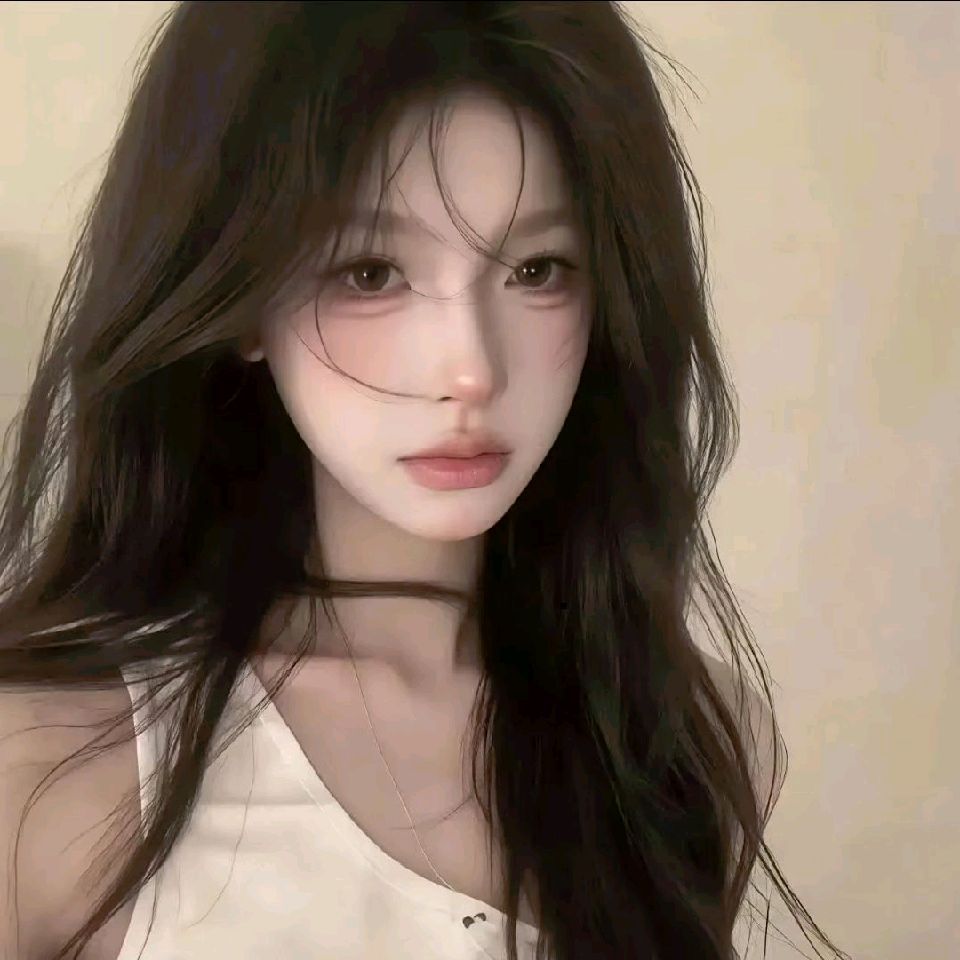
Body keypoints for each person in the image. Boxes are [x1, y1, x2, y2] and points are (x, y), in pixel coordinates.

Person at [0, 3, 852, 960]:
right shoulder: (45, 764)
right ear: (238, 298)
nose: (471, 370)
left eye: (538, 269)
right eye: (370, 272)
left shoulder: (689, 743)